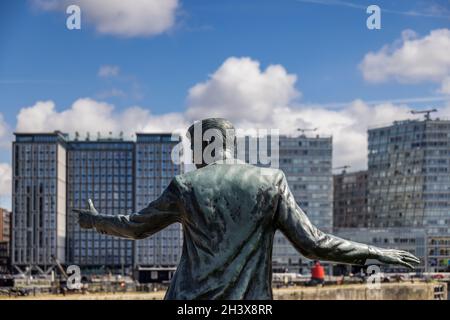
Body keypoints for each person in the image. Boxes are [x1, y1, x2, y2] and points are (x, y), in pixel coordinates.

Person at [74, 118, 420, 300]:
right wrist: (374, 253)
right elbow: (313, 244)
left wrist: (94, 221)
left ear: (201, 147)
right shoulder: (270, 181)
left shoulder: (187, 187)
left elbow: (136, 227)